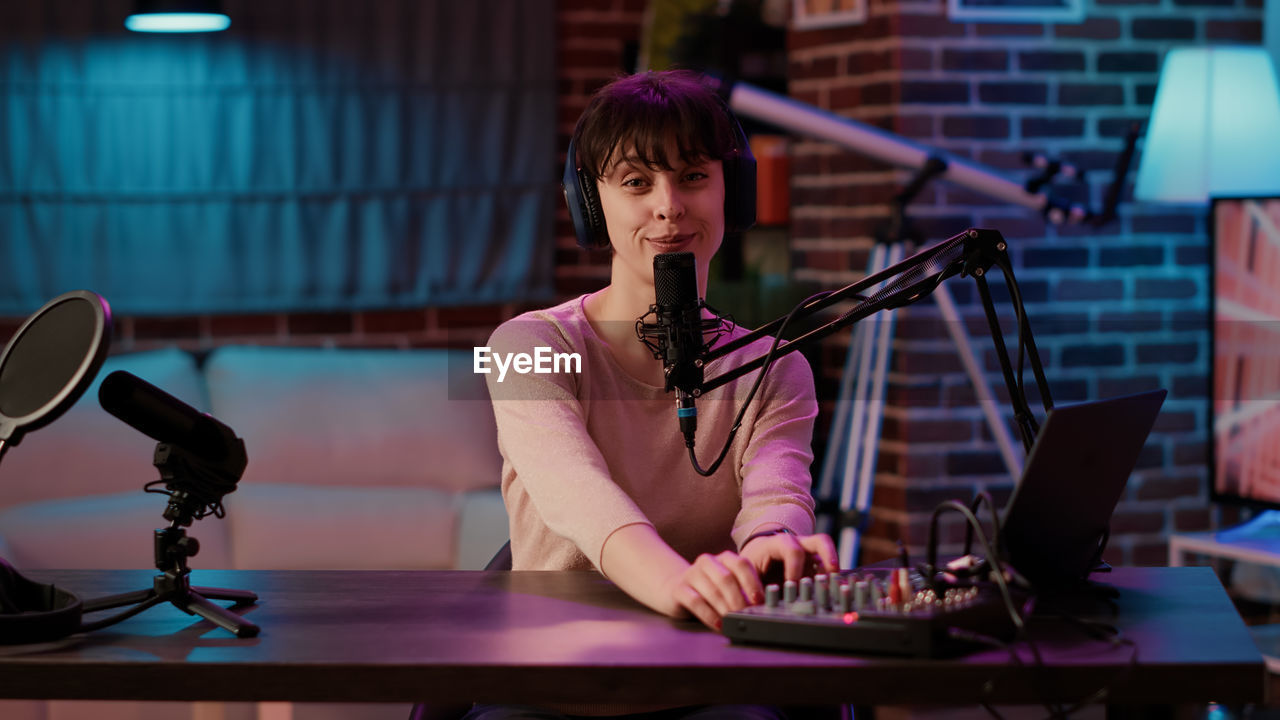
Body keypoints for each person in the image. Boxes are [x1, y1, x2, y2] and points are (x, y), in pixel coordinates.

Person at [474, 69, 838, 720]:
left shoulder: (774, 365)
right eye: (637, 182)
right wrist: (678, 582)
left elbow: (776, 499)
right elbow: (576, 494)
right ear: (591, 203)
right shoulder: (527, 345)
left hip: (706, 673)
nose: (669, 206)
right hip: (554, 683)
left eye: (694, 176)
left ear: (735, 194)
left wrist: (774, 545)